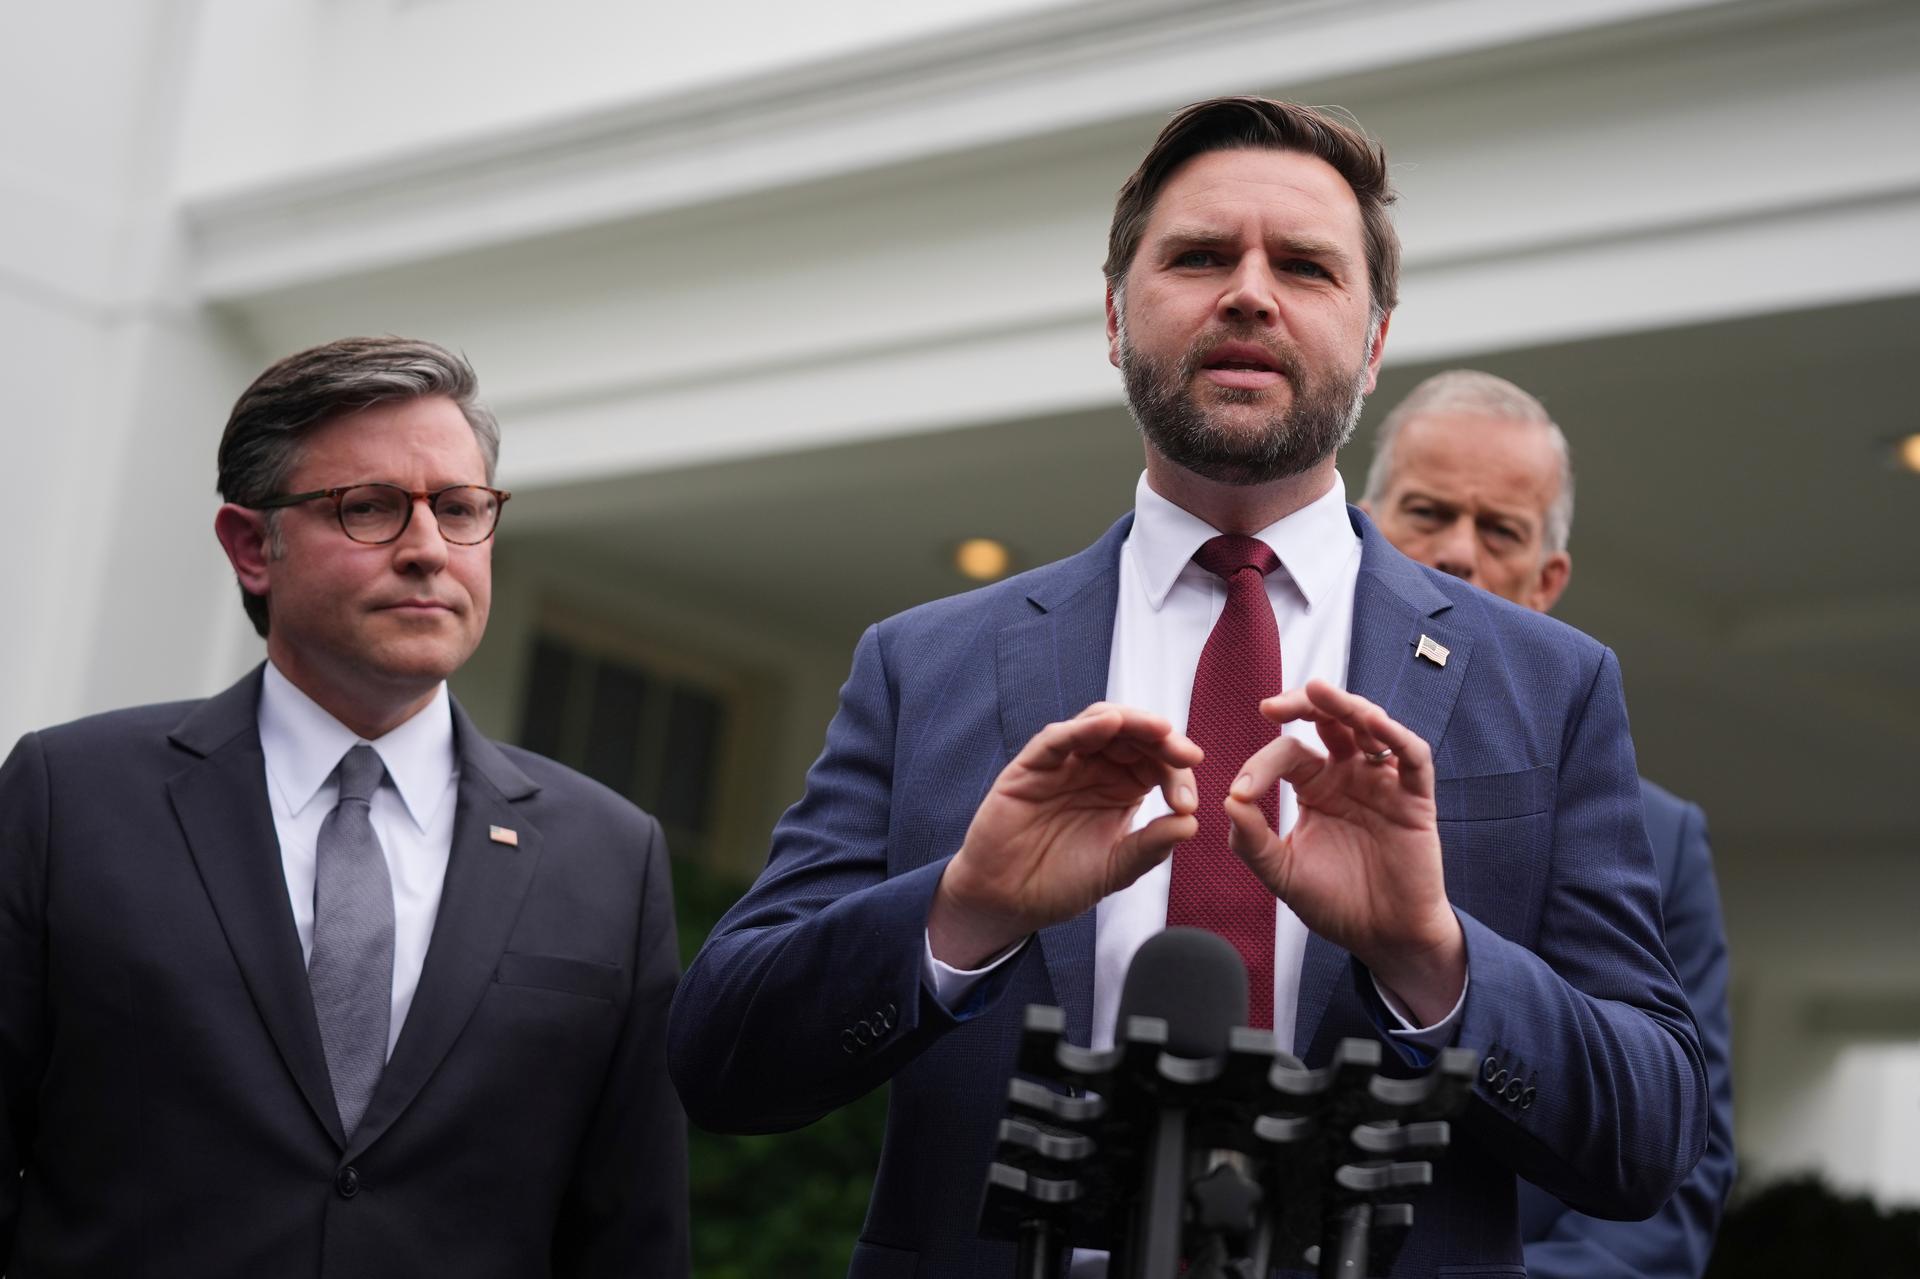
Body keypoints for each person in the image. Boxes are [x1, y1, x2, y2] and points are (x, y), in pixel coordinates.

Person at [669, 97, 1706, 1277]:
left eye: (1307, 266)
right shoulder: (924, 664)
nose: (1250, 293)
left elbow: (1650, 1135)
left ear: (1372, 343)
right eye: (1201, 256)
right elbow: (723, 1059)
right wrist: (964, 911)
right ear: (1116, 316)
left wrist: (1432, 956)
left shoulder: (1550, 685)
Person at [0, 337, 688, 1278]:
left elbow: (630, 1232)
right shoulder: (68, 797)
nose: (427, 550)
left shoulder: (612, 855)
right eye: (367, 508)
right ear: (252, 546)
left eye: (459, 509)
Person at [1361, 369, 1735, 1278]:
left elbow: (1674, 1180)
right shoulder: (1255, 748)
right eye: (1427, 511)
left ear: (1546, 579)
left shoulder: (1659, 836)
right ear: (1363, 528)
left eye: (1500, 530)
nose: (1458, 552)